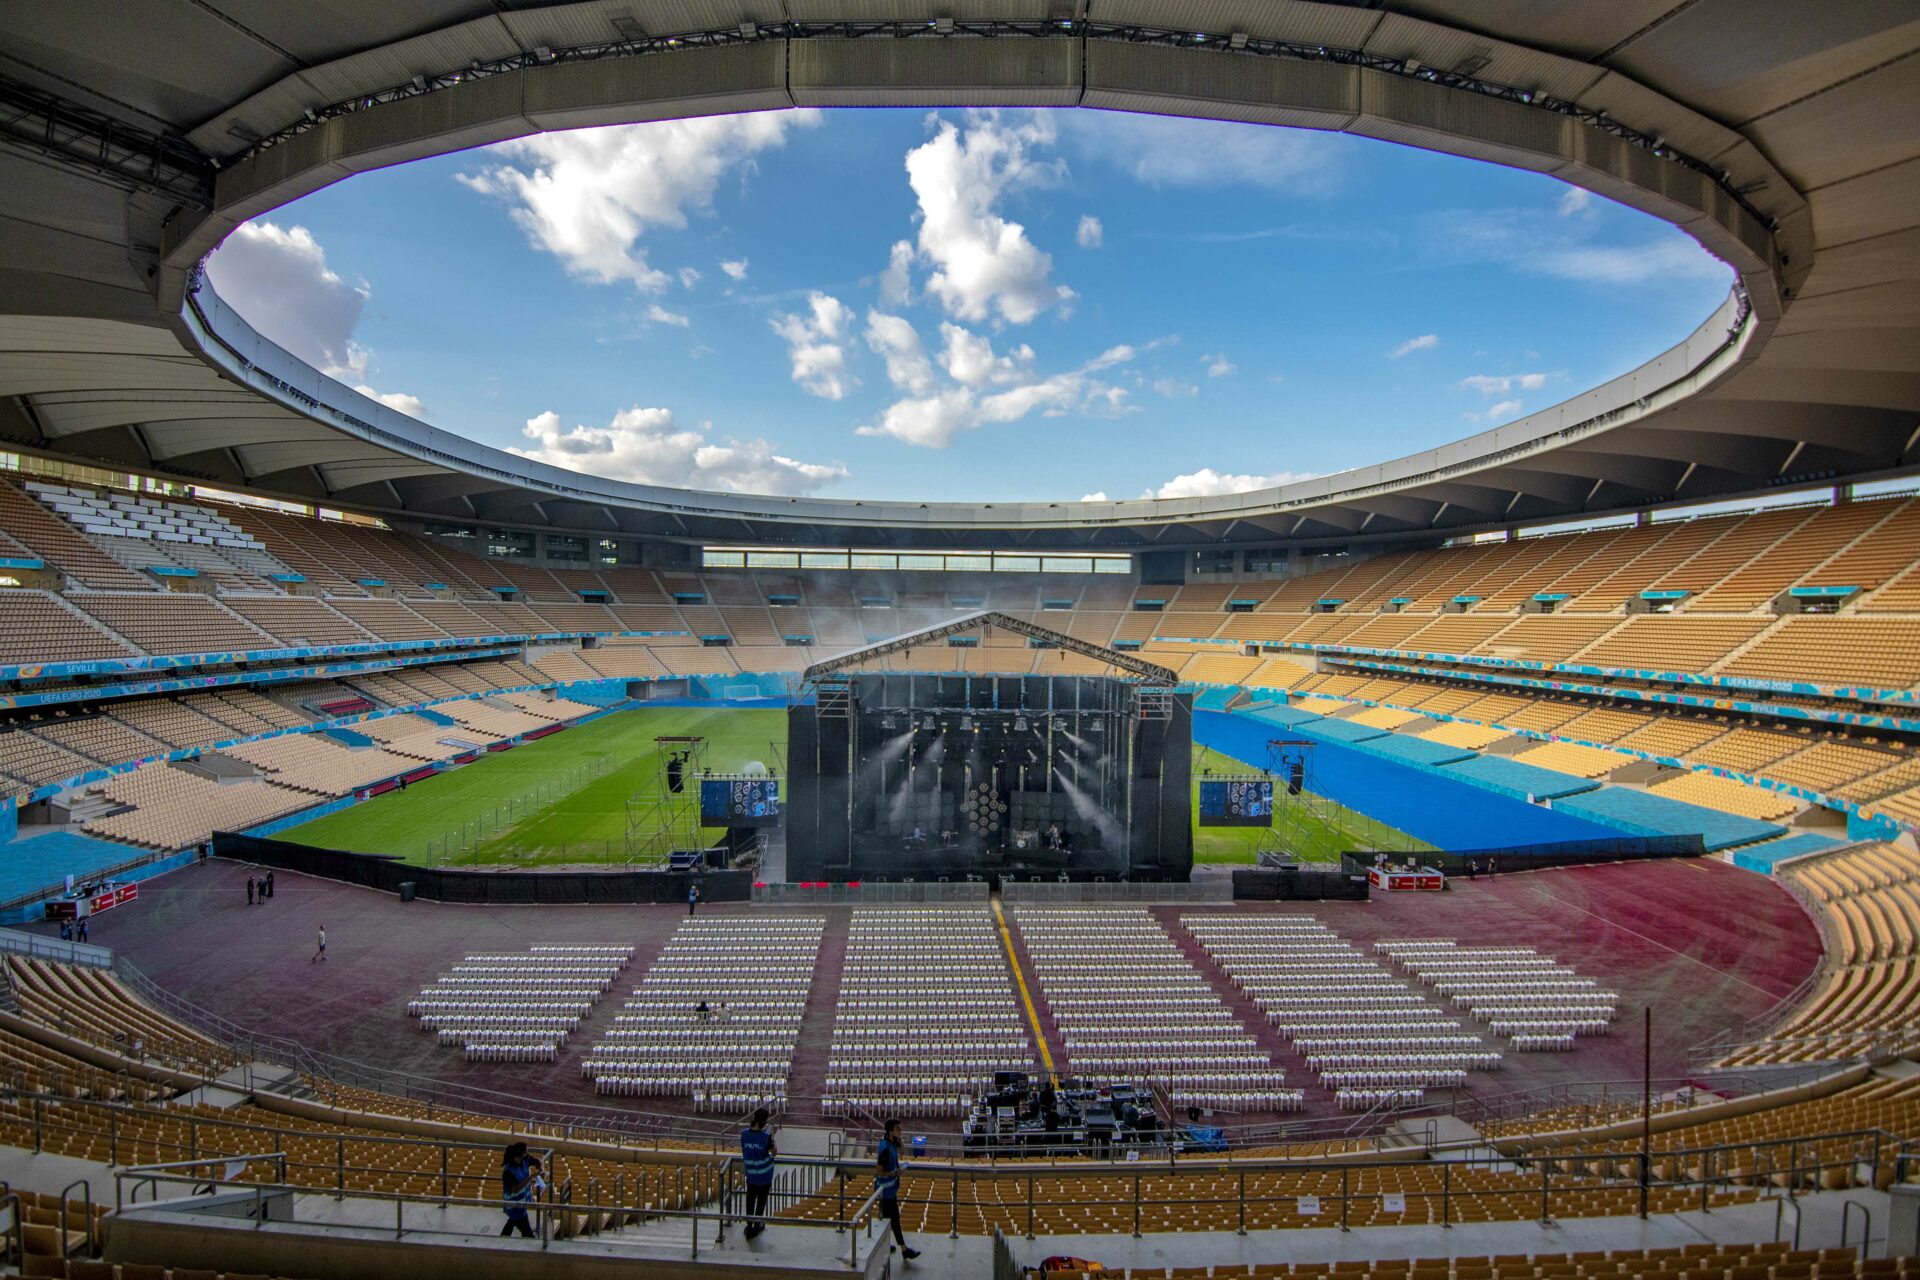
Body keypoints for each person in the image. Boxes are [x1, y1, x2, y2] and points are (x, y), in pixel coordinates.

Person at [875, 1117, 918, 1261]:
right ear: (890, 1131)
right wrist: (894, 1173)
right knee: (893, 1219)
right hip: (885, 1191)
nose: (901, 1131)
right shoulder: (885, 1149)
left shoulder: (891, 1143)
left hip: (889, 1190)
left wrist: (900, 1140)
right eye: (898, 1129)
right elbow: (879, 1170)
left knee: (887, 1219)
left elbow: (903, 1151)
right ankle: (904, 1249)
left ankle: (887, 1244)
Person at [739, 1107, 777, 1239]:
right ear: (764, 1122)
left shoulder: (744, 1134)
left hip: (751, 1174)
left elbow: (745, 1149)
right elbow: (774, 1152)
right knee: (761, 1201)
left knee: (750, 1199)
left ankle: (749, 1225)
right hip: (765, 1174)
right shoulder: (766, 1137)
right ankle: (756, 1225)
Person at [499, 1142, 535, 1238]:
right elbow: (515, 1189)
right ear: (520, 1154)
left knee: (512, 1223)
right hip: (514, 1205)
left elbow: (536, 1161)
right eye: (526, 1152)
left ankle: (501, 1240)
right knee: (528, 1233)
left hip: (521, 1204)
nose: (527, 1154)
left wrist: (540, 1167)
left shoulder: (524, 1161)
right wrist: (530, 1177)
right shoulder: (508, 1171)